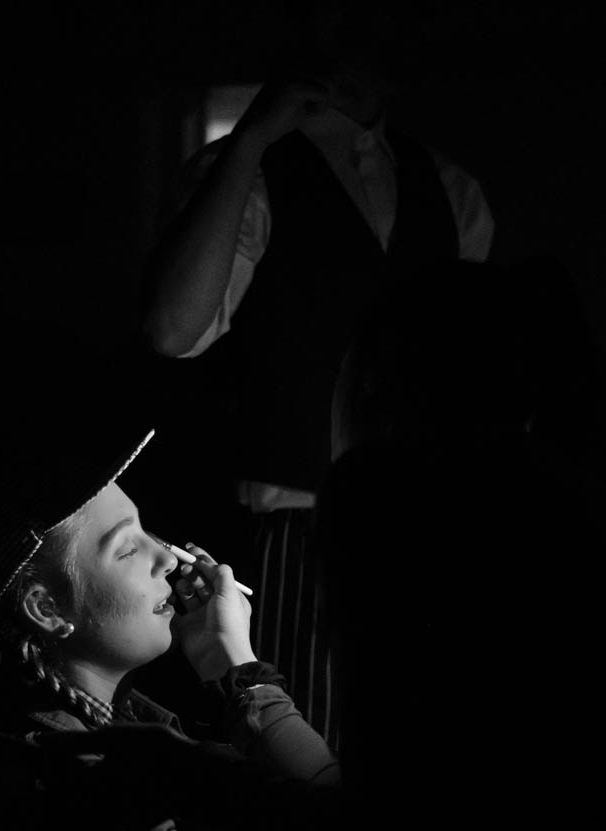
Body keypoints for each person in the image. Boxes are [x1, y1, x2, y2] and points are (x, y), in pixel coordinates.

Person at [0, 426, 416, 831]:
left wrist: (231, 667)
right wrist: (240, 674)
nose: (167, 556)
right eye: (127, 548)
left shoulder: (117, 725)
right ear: (47, 608)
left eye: (147, 530)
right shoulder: (92, 786)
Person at [141, 6, 495, 749]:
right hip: (291, 526)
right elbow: (175, 332)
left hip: (433, 518)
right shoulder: (246, 170)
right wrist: (250, 143)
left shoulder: (451, 187)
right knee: (298, 744)